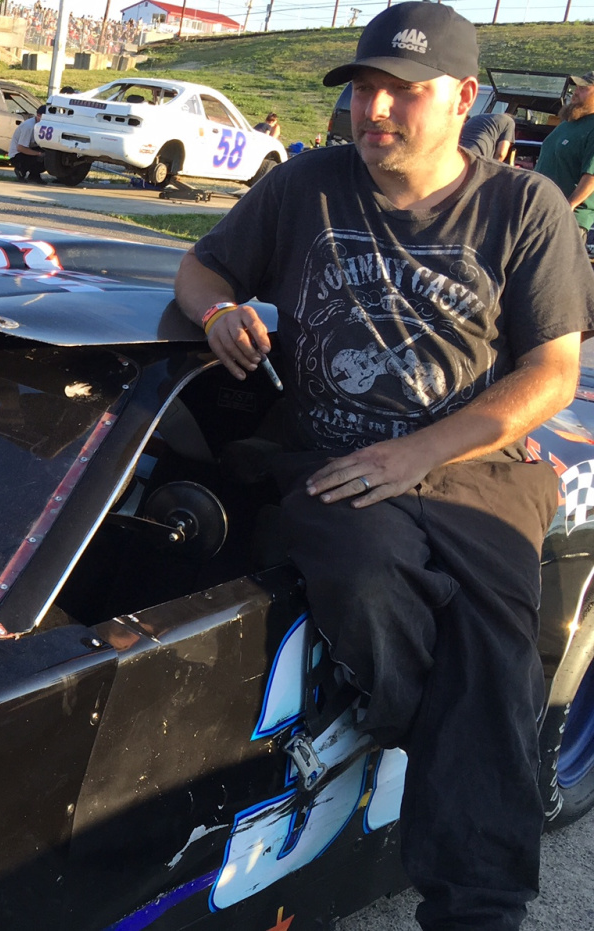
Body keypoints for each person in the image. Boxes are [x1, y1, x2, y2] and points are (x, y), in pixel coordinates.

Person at [174, 4, 594, 930]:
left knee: (493, 656)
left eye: (404, 92)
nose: (377, 109)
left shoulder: (523, 208)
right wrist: (215, 315)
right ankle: (436, 737)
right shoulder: (305, 188)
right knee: (366, 579)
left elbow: (554, 372)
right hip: (329, 457)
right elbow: (198, 269)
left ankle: (476, 908)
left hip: (477, 468)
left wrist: (422, 451)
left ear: (463, 99)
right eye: (366, 88)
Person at [536, 71, 594, 237]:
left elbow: (591, 177)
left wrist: (567, 208)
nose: (576, 92)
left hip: (566, 220)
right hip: (542, 211)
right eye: (576, 87)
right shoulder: (569, 122)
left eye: (583, 88)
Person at [8, 105, 47, 184]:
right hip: (17, 155)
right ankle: (20, 171)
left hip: (31, 149)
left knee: (48, 158)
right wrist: (38, 154)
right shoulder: (29, 126)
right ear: (38, 115)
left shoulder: (44, 126)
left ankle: (34, 175)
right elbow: (20, 148)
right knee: (39, 158)